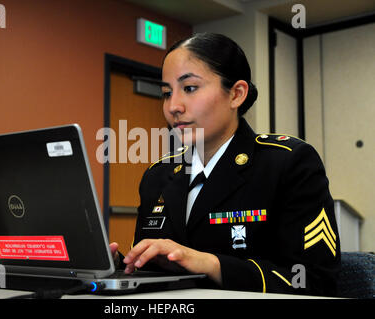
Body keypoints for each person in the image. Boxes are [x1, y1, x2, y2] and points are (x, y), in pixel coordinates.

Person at [110, 33, 341, 296]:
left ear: (236, 94)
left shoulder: (288, 162)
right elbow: (153, 276)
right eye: (166, 93)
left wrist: (212, 265)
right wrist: (120, 267)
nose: (173, 106)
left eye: (190, 88)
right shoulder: (158, 175)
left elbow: (315, 281)